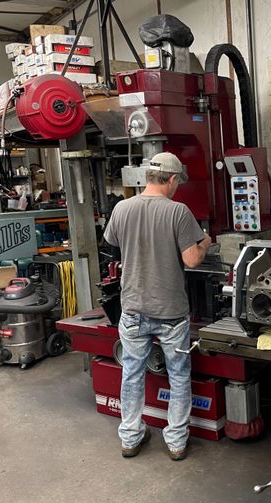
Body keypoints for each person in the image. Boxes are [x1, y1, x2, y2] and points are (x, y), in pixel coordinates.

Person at [103, 151, 211, 461]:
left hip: (134, 308)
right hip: (171, 313)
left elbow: (113, 242)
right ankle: (176, 441)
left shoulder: (122, 208)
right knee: (178, 376)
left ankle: (130, 436)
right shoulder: (178, 212)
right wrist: (205, 240)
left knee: (132, 374)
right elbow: (192, 259)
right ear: (173, 179)